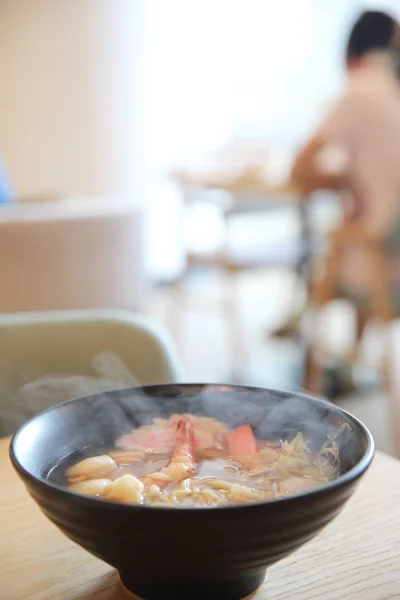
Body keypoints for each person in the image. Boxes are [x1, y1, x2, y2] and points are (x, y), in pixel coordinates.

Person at [274, 10, 400, 343]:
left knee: (332, 249)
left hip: (382, 264)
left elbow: (300, 170)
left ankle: (315, 347)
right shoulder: (389, 90)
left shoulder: (359, 91)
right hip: (387, 242)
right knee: (348, 227)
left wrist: (345, 183)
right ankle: (352, 358)